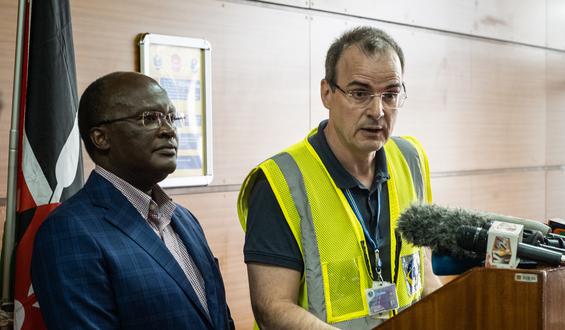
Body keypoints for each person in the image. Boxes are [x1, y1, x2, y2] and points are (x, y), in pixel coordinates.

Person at [237, 26, 442, 329]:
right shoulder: (280, 181)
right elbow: (272, 307)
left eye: (390, 94)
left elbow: (423, 274)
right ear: (327, 93)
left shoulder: (410, 159)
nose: (378, 111)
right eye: (359, 93)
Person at [31, 71, 234, 329]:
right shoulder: (68, 232)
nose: (169, 130)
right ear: (101, 138)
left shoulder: (184, 219)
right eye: (149, 118)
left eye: (172, 118)